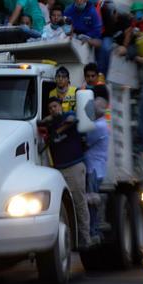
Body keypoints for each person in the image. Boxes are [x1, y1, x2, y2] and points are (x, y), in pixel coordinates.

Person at [40, 97, 91, 248]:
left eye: (55, 106)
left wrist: (56, 131)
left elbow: (71, 119)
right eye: (50, 108)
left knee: (79, 203)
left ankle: (85, 238)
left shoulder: (69, 116)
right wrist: (50, 123)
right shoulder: (49, 124)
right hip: (59, 170)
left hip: (74, 167)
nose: (53, 109)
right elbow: (40, 123)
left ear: (60, 106)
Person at [84, 97, 110, 237]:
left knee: (91, 201)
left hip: (93, 168)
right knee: (93, 201)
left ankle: (94, 231)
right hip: (97, 167)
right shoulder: (102, 124)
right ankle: (94, 230)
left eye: (93, 108)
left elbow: (86, 142)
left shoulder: (97, 126)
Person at [98, 0, 131, 77]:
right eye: (107, 15)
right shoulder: (105, 22)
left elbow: (128, 33)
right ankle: (101, 75)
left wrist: (124, 46)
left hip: (127, 44)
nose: (110, 17)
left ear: (116, 12)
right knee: (105, 48)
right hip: (114, 42)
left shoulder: (123, 18)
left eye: (112, 13)